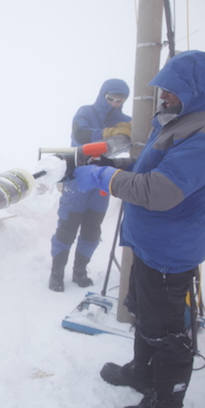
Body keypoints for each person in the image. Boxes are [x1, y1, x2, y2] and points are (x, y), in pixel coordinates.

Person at [74, 51, 205, 408]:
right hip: (152, 239)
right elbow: (153, 165)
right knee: (145, 311)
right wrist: (114, 164)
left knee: (167, 330)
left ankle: (166, 400)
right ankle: (141, 373)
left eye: (172, 89)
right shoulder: (186, 116)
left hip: (172, 247)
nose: (163, 95)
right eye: (163, 87)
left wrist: (106, 178)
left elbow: (160, 190)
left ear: (195, 89)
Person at [49, 79, 132, 292]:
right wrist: (108, 133)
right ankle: (57, 272)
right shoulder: (85, 112)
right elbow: (80, 134)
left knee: (92, 230)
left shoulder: (124, 120)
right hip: (78, 178)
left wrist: (134, 129)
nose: (115, 103)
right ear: (102, 95)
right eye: (110, 98)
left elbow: (139, 134)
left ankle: (80, 271)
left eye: (119, 100)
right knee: (67, 227)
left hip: (103, 181)